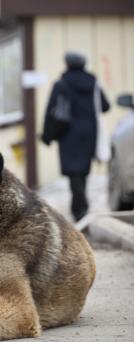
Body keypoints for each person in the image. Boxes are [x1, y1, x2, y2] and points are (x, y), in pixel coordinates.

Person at [42, 51, 110, 221]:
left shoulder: (62, 84)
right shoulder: (93, 82)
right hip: (89, 133)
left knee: (74, 171)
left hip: (68, 135)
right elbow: (105, 105)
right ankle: (81, 206)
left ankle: (79, 208)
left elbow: (51, 111)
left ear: (68, 65)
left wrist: (47, 135)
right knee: (83, 170)